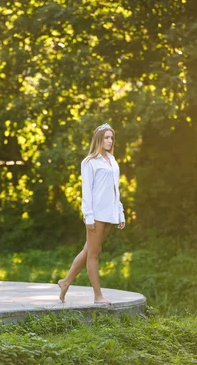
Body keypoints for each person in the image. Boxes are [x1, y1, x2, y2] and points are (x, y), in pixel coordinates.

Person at [58, 123, 126, 304]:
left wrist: (120, 212)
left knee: (89, 249)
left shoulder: (112, 160)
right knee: (94, 253)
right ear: (98, 139)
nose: (110, 141)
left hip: (110, 213)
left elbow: (115, 189)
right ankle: (98, 296)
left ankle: (65, 282)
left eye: (111, 137)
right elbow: (86, 191)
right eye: (106, 137)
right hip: (95, 214)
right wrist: (88, 216)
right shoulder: (89, 162)